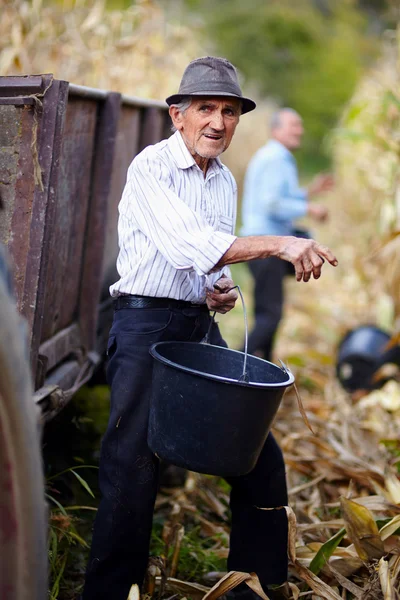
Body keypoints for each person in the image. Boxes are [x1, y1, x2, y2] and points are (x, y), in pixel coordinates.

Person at [82, 58, 338, 600]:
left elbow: (208, 267)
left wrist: (218, 292)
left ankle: (255, 586)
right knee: (132, 466)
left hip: (195, 326)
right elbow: (188, 246)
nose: (218, 122)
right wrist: (281, 242)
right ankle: (108, 591)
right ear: (178, 115)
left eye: (229, 111)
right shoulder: (150, 168)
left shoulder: (222, 179)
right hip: (145, 326)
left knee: (258, 457)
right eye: (205, 109)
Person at [240, 108, 334, 361]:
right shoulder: (276, 158)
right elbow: (272, 204)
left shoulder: (275, 156)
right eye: (293, 125)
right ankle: (237, 363)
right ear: (276, 130)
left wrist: (309, 192)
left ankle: (261, 366)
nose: (299, 130)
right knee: (269, 315)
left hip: (264, 245)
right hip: (266, 246)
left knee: (269, 312)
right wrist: (309, 208)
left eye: (300, 125)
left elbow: (281, 196)